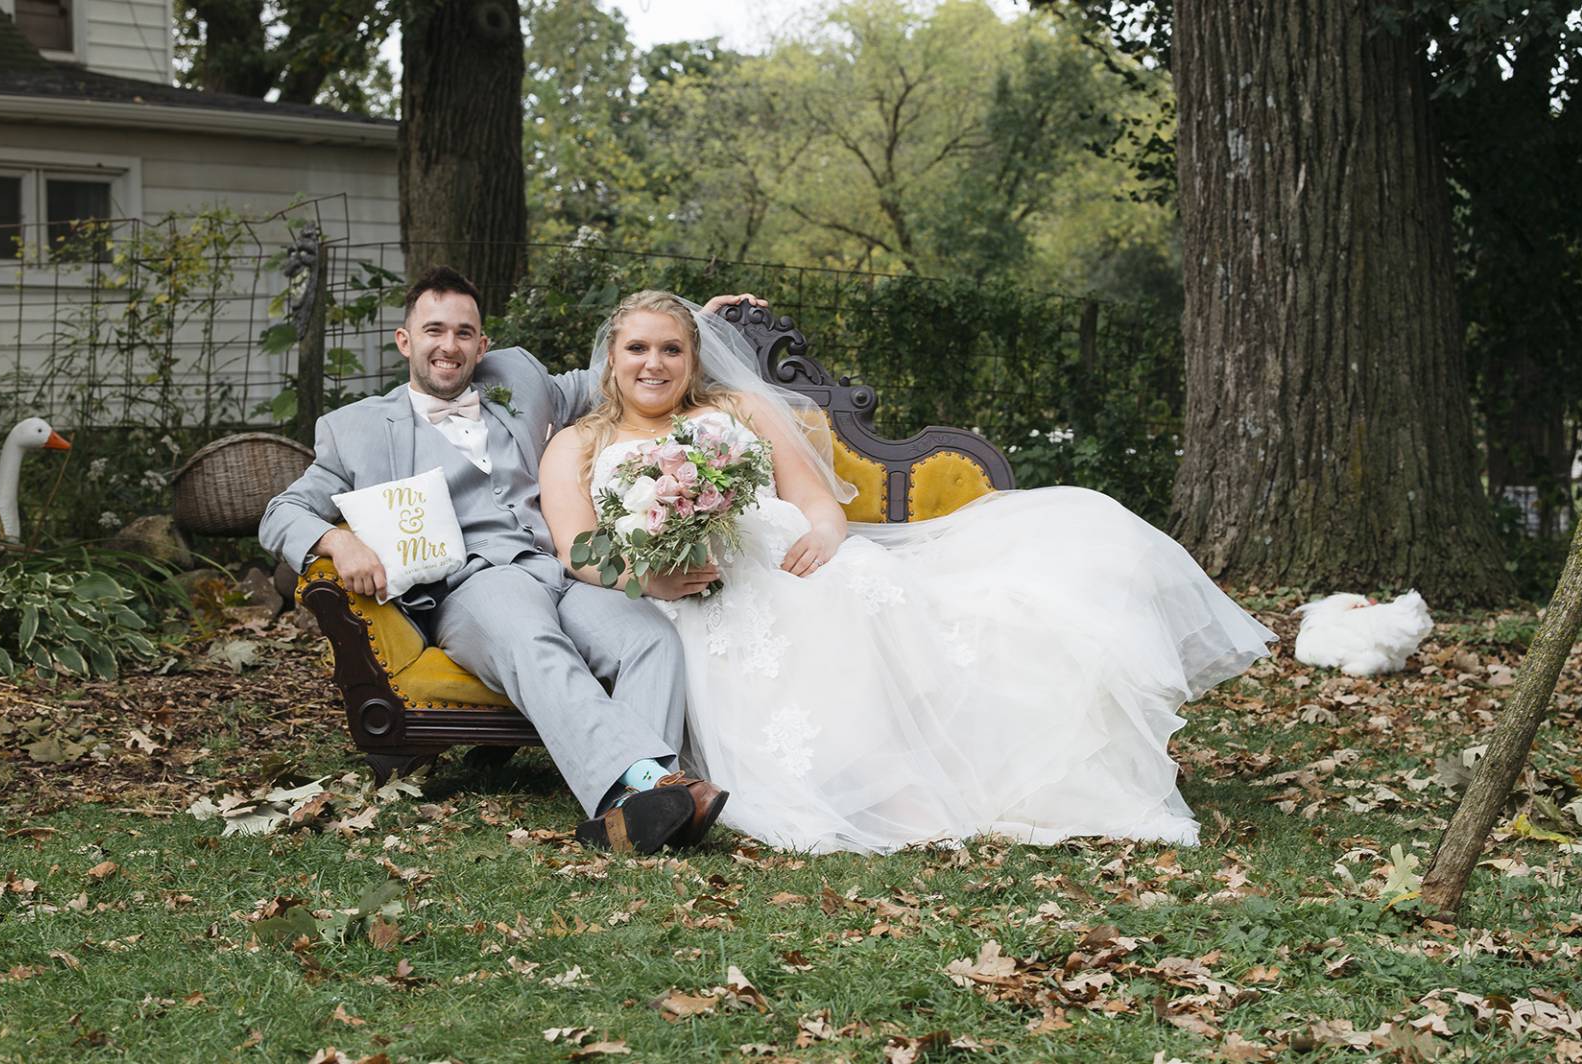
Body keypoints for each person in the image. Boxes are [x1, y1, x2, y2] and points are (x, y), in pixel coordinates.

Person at [538, 290, 1278, 854]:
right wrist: (653, 580)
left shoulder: (736, 408)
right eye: (638, 348)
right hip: (694, 596)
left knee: (860, 592)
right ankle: (871, 789)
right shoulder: (578, 443)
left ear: (693, 358)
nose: (654, 364)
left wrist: (827, 537)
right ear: (612, 359)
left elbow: (817, 503)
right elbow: (578, 550)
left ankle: (917, 776)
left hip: (793, 559)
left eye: (672, 349)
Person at [261, 266, 756, 855]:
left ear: (483, 344)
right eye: (434, 331)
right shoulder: (356, 429)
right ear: (405, 340)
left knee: (650, 639)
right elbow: (280, 511)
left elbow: (625, 370)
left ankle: (634, 817)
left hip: (559, 571)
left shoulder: (518, 376)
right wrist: (338, 542)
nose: (449, 346)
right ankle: (652, 782)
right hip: (473, 588)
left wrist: (694, 323)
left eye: (465, 333)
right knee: (528, 637)